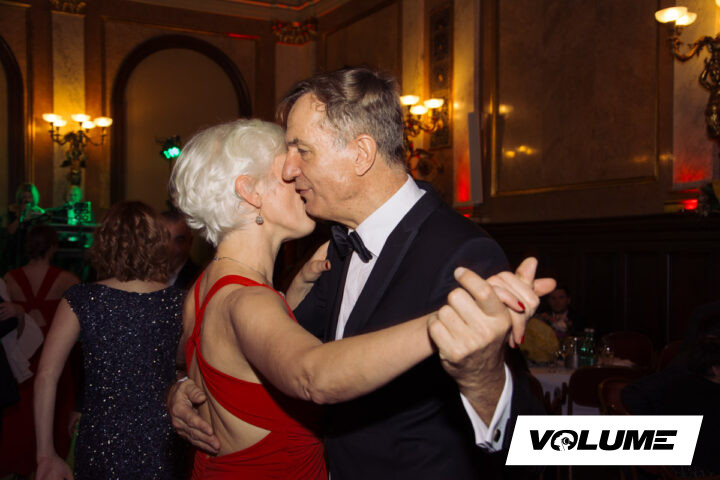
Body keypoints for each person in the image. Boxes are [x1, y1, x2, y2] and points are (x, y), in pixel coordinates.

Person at [169, 67, 554, 479]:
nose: (290, 170)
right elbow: (277, 354)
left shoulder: (461, 251)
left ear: (361, 154)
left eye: (302, 151)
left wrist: (484, 382)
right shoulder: (334, 248)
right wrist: (185, 387)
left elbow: (531, 440)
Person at [34, 201, 187, 480]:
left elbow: (46, 375)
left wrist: (45, 453)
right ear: (158, 242)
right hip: (160, 439)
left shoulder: (81, 299)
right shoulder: (178, 301)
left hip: (100, 440)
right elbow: (183, 360)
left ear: (105, 243)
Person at [0, 225, 79, 477]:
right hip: (55, 360)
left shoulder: (10, 279)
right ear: (53, 247)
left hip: (23, 361)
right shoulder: (68, 281)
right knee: (54, 416)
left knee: (22, 422)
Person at [161, 209, 201, 290]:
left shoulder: (198, 279)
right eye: (164, 239)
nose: (170, 248)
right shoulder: (143, 274)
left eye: (178, 241)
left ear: (190, 242)